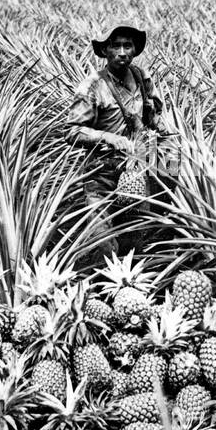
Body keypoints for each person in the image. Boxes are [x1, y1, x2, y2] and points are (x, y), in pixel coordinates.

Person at [66, 25, 168, 260]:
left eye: (128, 46)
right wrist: (108, 137)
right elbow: (71, 131)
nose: (122, 52)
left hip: (136, 171)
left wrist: (162, 132)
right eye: (116, 45)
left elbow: (153, 116)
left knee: (135, 237)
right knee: (102, 240)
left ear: (135, 50)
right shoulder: (91, 86)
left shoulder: (142, 77)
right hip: (101, 174)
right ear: (105, 50)